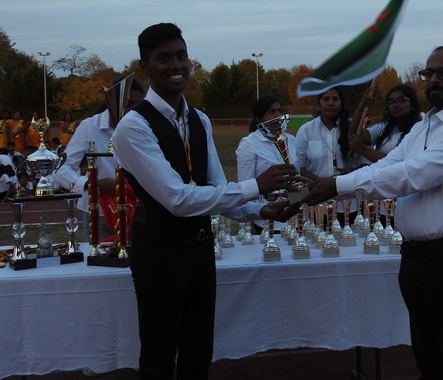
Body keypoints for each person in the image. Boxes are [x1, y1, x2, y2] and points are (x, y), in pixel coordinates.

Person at [112, 22, 299, 380]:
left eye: (181, 56)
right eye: (164, 58)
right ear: (145, 67)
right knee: (159, 357)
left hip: (200, 250)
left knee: (199, 354)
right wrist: (257, 187)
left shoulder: (198, 118)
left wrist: (262, 209)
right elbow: (177, 199)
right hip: (160, 254)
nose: (176, 65)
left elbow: (216, 187)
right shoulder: (133, 126)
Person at [303, 46, 443, 379]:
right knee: (427, 357)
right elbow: (389, 164)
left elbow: (412, 175)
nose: (434, 79)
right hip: (415, 257)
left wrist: (335, 186)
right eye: (429, 73)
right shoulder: (423, 126)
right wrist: (334, 186)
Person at [53, 79, 146, 243]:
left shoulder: (145, 126)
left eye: (138, 105)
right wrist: (91, 184)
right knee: (101, 255)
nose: (132, 110)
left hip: (139, 209)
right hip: (99, 211)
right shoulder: (89, 127)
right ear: (111, 101)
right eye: (128, 104)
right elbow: (61, 170)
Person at [236, 95, 299, 233]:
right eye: (272, 112)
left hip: (296, 216)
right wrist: (252, 218)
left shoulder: (292, 140)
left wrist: (298, 201)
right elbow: (246, 185)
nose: (277, 115)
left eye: (279, 111)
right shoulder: (248, 144)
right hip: (267, 216)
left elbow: (297, 178)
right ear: (259, 118)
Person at [296, 86, 359, 225]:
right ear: (319, 104)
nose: (330, 103)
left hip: (347, 203)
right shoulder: (306, 131)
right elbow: (299, 168)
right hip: (317, 203)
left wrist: (350, 172)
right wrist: (320, 181)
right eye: (326, 99)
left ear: (341, 104)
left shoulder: (352, 128)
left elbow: (365, 165)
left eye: (335, 99)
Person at [349, 84, 422, 164]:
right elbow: (356, 133)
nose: (395, 105)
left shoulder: (420, 130)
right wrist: (361, 107)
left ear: (412, 105)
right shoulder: (385, 127)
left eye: (401, 100)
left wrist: (363, 150)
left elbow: (399, 162)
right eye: (391, 102)